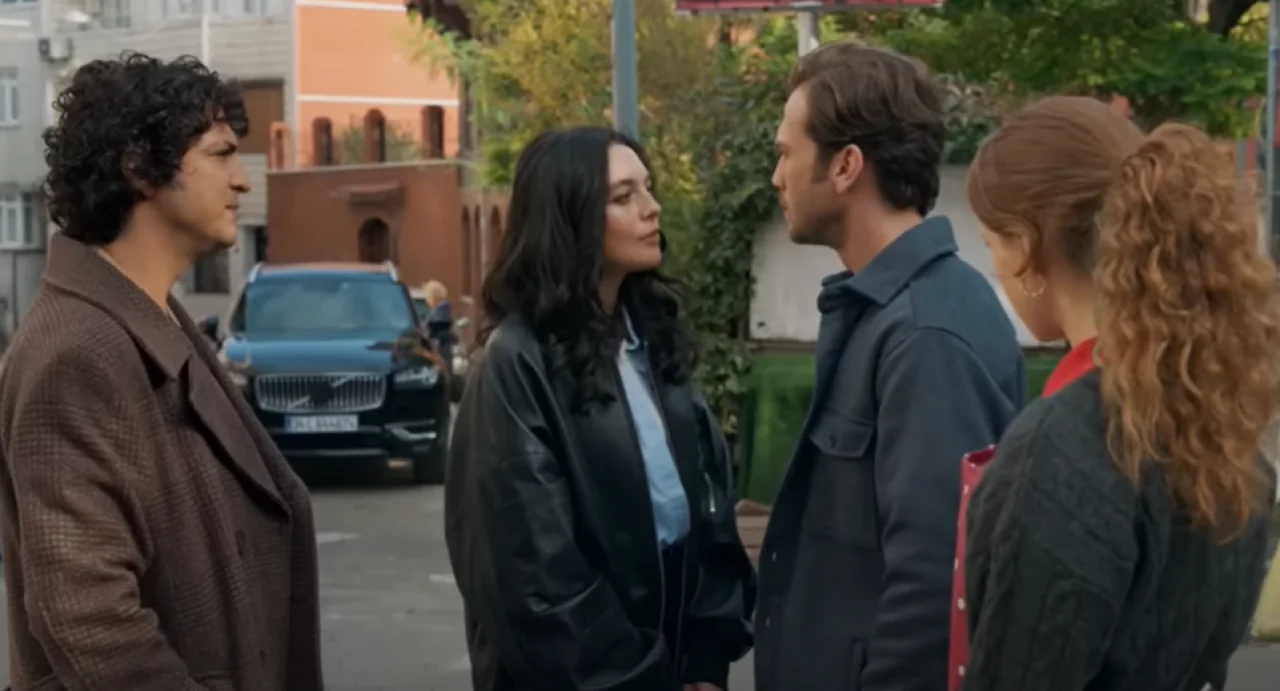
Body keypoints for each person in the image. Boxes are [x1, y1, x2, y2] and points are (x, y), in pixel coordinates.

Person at [0, 53, 323, 690]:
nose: (242, 181)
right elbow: (89, 621)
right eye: (221, 154)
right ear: (140, 168)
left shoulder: (151, 318)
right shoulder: (77, 354)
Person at [961, 96, 1279, 690]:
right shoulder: (1218, 426)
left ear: (1025, 247)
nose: (995, 264)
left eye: (990, 243)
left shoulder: (1059, 449)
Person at [754, 41, 1026, 691]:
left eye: (786, 153)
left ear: (846, 165)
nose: (777, 177)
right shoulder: (891, 311)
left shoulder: (924, 334)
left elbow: (933, 591)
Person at [445, 126, 755, 691]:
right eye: (623, 196)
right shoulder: (516, 364)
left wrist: (707, 661)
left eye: (648, 188)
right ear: (569, 221)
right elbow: (536, 580)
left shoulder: (653, 343)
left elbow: (709, 515)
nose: (652, 208)